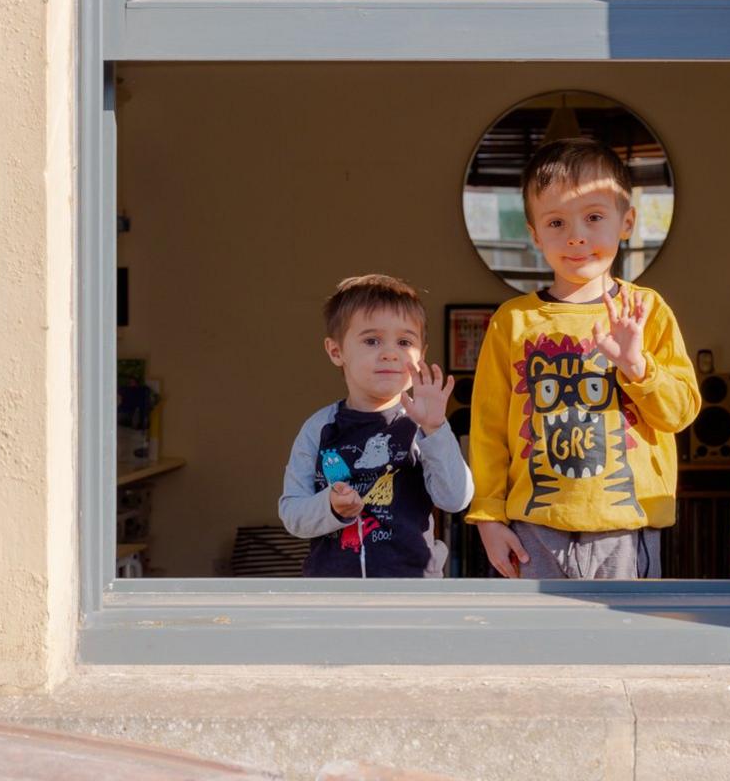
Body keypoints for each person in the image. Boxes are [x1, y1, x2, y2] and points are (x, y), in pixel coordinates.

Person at [466, 137, 700, 580]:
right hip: (534, 523)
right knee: (538, 646)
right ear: (534, 234)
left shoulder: (647, 310)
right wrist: (489, 517)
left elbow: (681, 412)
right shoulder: (513, 321)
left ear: (626, 221)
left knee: (621, 644)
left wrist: (637, 365)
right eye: (556, 222)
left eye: (594, 217)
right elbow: (488, 430)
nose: (576, 236)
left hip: (626, 525)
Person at [279, 274, 473, 577]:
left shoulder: (421, 425)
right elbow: (292, 515)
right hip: (333, 594)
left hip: (411, 593)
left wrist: (436, 429)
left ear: (421, 354)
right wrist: (330, 506)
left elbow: (455, 499)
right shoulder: (319, 428)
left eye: (405, 342)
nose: (389, 352)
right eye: (372, 340)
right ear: (336, 351)